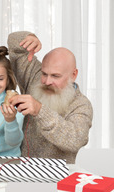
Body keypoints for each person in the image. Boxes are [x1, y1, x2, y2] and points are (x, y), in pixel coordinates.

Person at [7, 31, 93, 164]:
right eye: (44, 73)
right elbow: (14, 44)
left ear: (73, 74)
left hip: (58, 178)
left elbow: (75, 140)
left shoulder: (81, 104)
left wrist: (40, 111)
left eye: (55, 76)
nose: (47, 81)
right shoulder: (34, 78)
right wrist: (30, 39)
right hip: (23, 171)